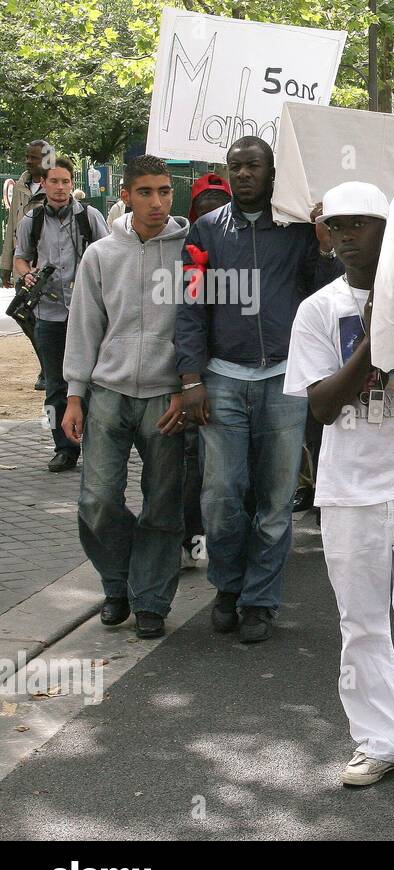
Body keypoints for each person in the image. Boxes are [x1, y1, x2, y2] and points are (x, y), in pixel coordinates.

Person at [284, 181, 394, 797]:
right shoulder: (316, 310)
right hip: (348, 488)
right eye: (337, 226)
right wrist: (373, 338)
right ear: (325, 235)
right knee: (361, 623)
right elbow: (324, 406)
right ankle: (379, 742)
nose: (348, 236)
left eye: (362, 224)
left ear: (389, 232)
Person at [174, 135, 340, 644]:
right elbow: (189, 306)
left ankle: (260, 602)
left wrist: (324, 244)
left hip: (284, 381)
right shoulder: (204, 232)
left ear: (272, 173)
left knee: (274, 500)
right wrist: (191, 378)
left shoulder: (294, 232)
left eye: (253, 167)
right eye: (235, 167)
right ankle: (227, 589)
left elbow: (326, 293)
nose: (243, 174)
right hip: (221, 380)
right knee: (222, 497)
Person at [61, 155, 189, 639]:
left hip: (166, 396)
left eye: (164, 191)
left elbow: (200, 325)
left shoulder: (190, 251)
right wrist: (74, 395)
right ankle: (117, 583)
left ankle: (152, 599)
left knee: (162, 502)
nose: (157, 202)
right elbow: (84, 326)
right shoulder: (100, 255)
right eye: (145, 192)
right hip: (108, 392)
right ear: (124, 195)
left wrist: (186, 386)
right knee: (96, 499)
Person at [14, 155, 109, 472]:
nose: (59, 187)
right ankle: (63, 448)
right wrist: (27, 274)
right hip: (49, 316)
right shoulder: (32, 221)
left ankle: (97, 446)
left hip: (88, 315)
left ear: (72, 183)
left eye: (65, 181)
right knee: (56, 386)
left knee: (92, 384)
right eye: (53, 181)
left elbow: (109, 256)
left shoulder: (90, 217)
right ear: (43, 183)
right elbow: (21, 258)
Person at [179, 172, 234, 569]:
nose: (212, 215)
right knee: (196, 463)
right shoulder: (189, 255)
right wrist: (190, 379)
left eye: (220, 207)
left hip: (236, 375)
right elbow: (187, 316)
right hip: (197, 378)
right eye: (204, 209)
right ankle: (194, 537)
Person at [2, 140, 50, 290]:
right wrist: (6, 265)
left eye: (33, 158)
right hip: (22, 271)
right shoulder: (20, 186)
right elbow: (12, 226)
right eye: (27, 157)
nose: (28, 161)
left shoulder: (56, 187)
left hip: (47, 272)